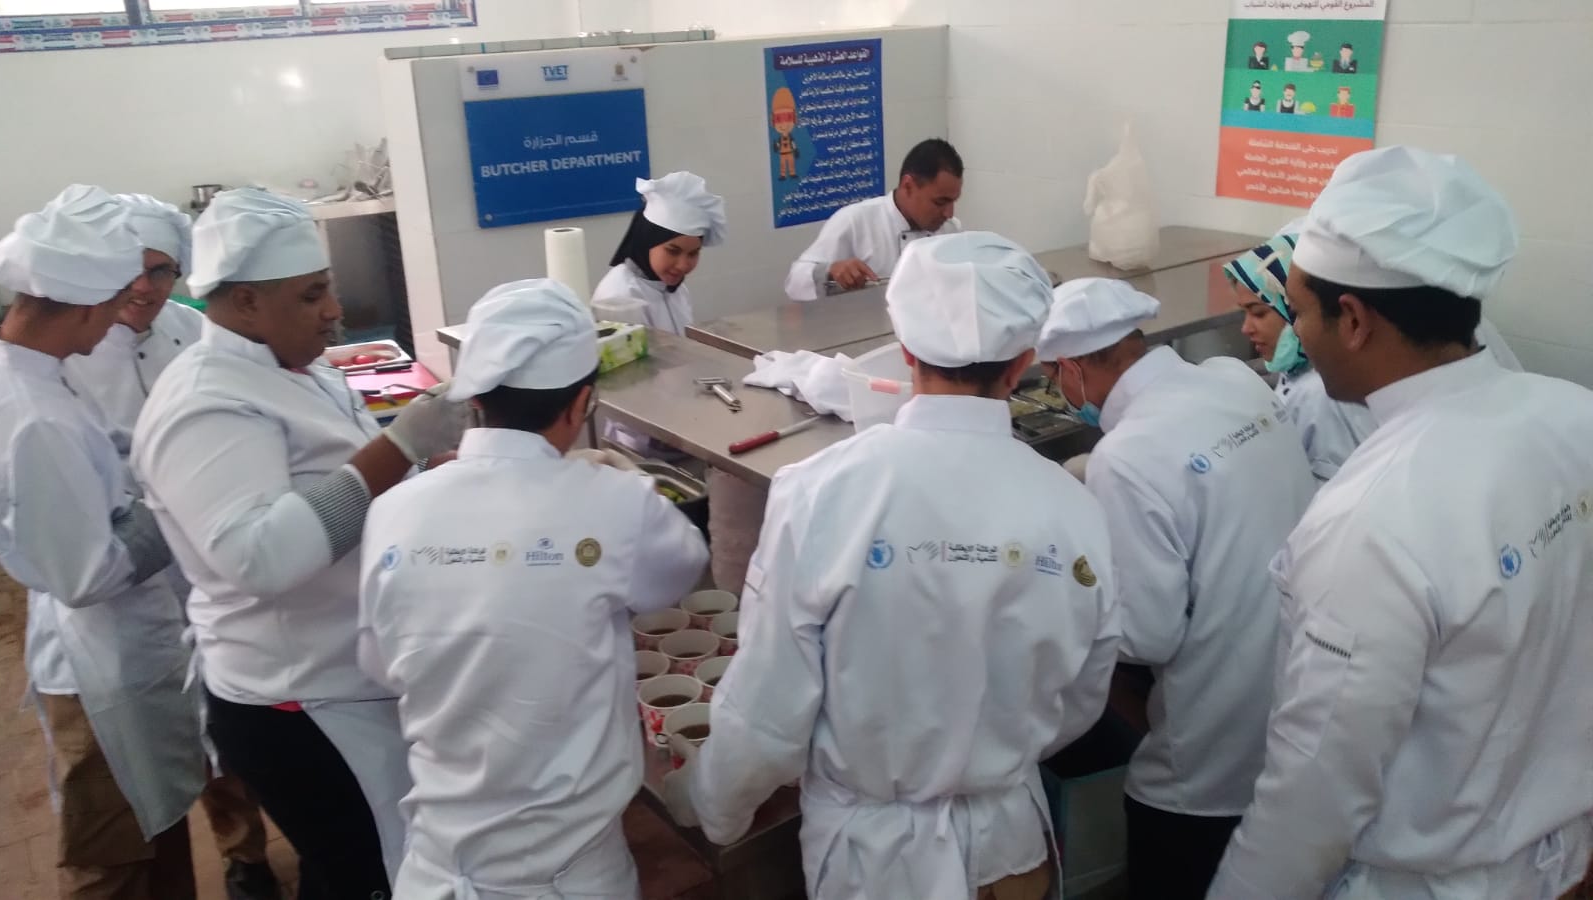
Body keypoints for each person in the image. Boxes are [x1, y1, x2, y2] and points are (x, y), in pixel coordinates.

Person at [667, 231, 1121, 898]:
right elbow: (1082, 697)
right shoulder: (1073, 506)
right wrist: (987, 758)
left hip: (875, 863)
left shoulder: (824, 491)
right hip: (1010, 850)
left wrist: (712, 807)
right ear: (1023, 363)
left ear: (904, 351)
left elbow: (767, 713)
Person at [1209, 145, 1593, 899]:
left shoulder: (1371, 520)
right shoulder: (1572, 414)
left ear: (1353, 319)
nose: (1295, 335)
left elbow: (1311, 800)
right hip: (1562, 861)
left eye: (1299, 312)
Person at [132, 188, 469, 899]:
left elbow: (340, 482)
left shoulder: (296, 367)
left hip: (345, 671)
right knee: (364, 872)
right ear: (246, 302)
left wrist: (437, 473)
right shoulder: (206, 403)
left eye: (329, 289)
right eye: (311, 295)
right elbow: (263, 556)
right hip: (297, 697)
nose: (333, 310)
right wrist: (400, 446)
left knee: (362, 863)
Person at [358, 279, 709, 899]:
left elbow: (380, 663)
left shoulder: (393, 510)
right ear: (582, 404)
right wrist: (626, 488)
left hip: (437, 873)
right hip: (570, 878)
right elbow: (682, 570)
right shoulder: (616, 504)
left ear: (476, 399)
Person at [1036, 278, 1317, 900]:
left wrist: (1065, 595)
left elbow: (1146, 636)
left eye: (1055, 379)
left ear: (1070, 368)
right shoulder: (1233, 379)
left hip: (1204, 765)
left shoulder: (1126, 455)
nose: (1062, 394)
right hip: (1293, 702)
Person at [58, 192, 281, 900]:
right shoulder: (67, 352)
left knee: (221, 732)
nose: (145, 286)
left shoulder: (198, 335)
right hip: (109, 593)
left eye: (162, 270)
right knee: (116, 774)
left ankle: (244, 856)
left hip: (200, 571)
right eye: (131, 269)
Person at [0, 185, 204, 900]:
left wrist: (136, 459)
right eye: (117, 301)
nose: (124, 316)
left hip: (120, 650)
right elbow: (87, 574)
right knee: (111, 858)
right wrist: (172, 503)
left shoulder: (27, 381)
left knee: (154, 826)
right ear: (85, 305)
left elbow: (88, 470)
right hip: (99, 664)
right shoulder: (36, 416)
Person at [1225, 228, 1525, 482]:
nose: (1246, 329)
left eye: (1297, 312)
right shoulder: (1532, 408)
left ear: (1353, 318)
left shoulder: (1327, 389)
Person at [783, 137, 964, 300]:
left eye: (953, 201)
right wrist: (831, 270)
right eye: (940, 202)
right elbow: (794, 282)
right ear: (908, 186)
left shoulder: (950, 229)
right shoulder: (855, 221)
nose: (948, 213)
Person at [591, 171, 727, 335]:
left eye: (693, 254)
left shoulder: (674, 288)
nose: (683, 265)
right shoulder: (620, 297)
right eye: (673, 251)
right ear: (646, 241)